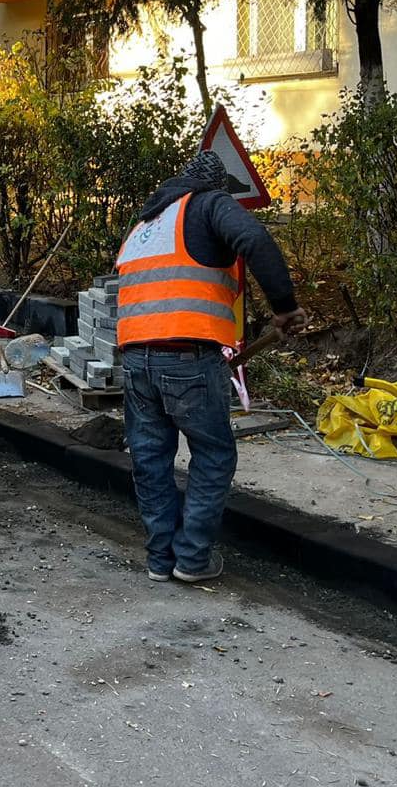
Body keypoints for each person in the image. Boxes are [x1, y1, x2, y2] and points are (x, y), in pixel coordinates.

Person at [116, 149, 308, 585]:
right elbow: (254, 239)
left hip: (135, 359)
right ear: (216, 186)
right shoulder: (208, 204)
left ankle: (160, 559)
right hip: (187, 357)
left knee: (150, 459)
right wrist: (284, 306)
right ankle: (192, 558)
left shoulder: (147, 223)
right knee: (214, 453)